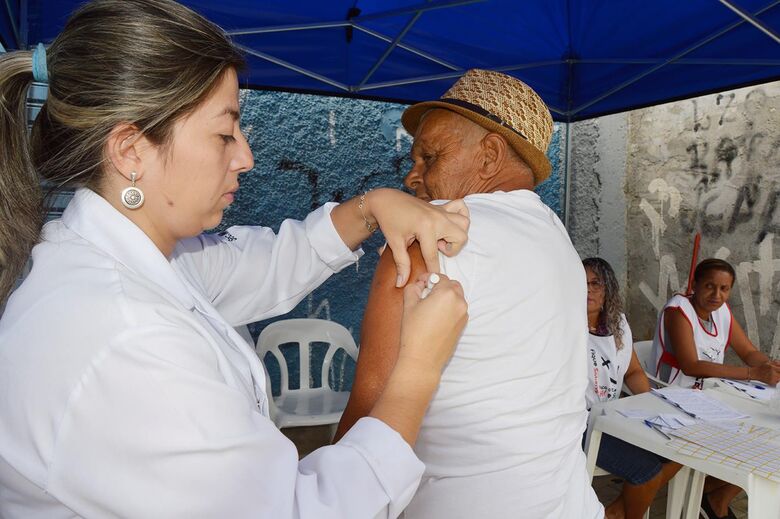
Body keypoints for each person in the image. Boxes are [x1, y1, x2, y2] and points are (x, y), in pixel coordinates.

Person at [0, 1, 472, 517]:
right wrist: (417, 369)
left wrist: (371, 207)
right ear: (131, 151)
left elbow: (263, 264)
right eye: (224, 134)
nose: (245, 156)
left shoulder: (131, 259)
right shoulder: (124, 337)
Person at [335, 69, 603, 518]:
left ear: (489, 156)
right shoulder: (557, 237)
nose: (411, 177)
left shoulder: (430, 233)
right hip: (567, 501)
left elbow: (371, 407)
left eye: (429, 157)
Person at [651, 257, 780, 519]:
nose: (717, 295)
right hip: (672, 396)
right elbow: (691, 366)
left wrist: (770, 369)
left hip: (710, 397)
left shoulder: (721, 312)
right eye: (709, 286)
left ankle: (711, 495)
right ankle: (707, 495)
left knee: (766, 439)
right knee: (747, 438)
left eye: (724, 289)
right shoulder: (678, 311)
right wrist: (753, 373)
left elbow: (748, 351)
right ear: (694, 284)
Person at [583, 257, 681, 519]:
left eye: (596, 283)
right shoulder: (565, 327)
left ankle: (616, 511)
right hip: (582, 425)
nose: (588, 289)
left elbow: (634, 371)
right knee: (646, 472)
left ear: (608, 290)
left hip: (616, 417)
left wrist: (650, 403)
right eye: (581, 283)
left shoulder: (618, 325)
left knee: (679, 451)